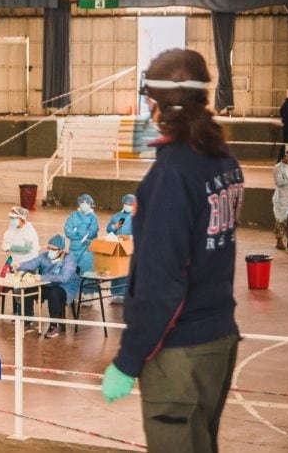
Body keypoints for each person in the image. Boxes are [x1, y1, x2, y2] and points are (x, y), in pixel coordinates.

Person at [101, 48, 244, 453]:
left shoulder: (170, 175)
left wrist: (129, 360)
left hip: (180, 353)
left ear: (156, 105)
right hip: (219, 340)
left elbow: (160, 284)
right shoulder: (224, 161)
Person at [13, 235, 80, 339]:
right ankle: (27, 322)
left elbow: (64, 278)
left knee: (54, 293)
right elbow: (32, 263)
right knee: (27, 290)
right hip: (47, 284)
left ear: (61, 251)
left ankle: (54, 326)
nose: (50, 251)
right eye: (49, 248)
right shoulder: (44, 257)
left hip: (65, 287)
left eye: (53, 249)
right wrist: (19, 265)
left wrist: (41, 277)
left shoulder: (69, 260)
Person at [1, 206, 40, 316]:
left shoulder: (29, 230)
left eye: (14, 218)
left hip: (29, 265)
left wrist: (11, 247)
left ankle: (28, 315)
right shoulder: (11, 230)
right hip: (16, 265)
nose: (12, 221)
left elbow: (26, 248)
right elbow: (4, 244)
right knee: (17, 291)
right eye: (11, 218)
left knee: (26, 291)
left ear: (21, 218)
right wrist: (7, 246)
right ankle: (20, 313)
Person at [105, 194, 136, 303]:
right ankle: (116, 294)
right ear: (123, 204)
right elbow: (108, 230)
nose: (128, 206)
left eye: (131, 204)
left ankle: (129, 295)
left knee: (130, 271)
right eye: (126, 204)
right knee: (117, 271)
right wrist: (114, 227)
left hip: (131, 248)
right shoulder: (117, 216)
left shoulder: (139, 216)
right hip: (118, 247)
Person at [64, 194, 99, 278]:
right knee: (72, 268)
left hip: (87, 248)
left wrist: (78, 231)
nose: (84, 204)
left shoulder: (93, 217)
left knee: (86, 269)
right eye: (82, 202)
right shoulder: (73, 215)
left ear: (91, 204)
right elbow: (68, 230)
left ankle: (87, 289)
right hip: (74, 247)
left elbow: (93, 232)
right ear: (79, 203)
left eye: (87, 203)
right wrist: (79, 234)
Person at [272, 148, 288, 250]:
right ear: (285, 156)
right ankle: (279, 241)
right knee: (281, 220)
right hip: (282, 198)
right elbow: (279, 182)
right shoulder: (278, 168)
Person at [279, 91, 288, 161]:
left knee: (287, 146)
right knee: (286, 145)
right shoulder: (286, 105)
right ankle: (279, 161)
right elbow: (285, 116)